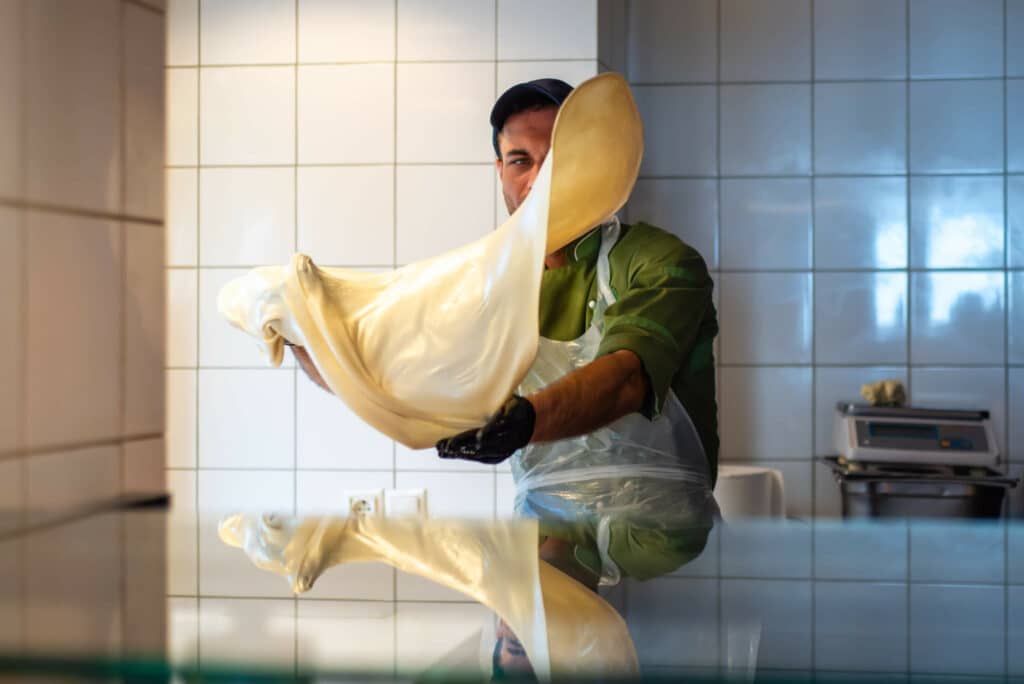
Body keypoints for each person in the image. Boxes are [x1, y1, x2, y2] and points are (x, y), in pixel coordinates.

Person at [434, 78, 720, 589]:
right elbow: (402, 375)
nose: (537, 180)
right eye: (520, 161)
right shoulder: (489, 290)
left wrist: (525, 422)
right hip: (539, 548)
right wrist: (311, 333)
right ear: (500, 172)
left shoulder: (660, 262)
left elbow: (624, 380)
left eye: (557, 160)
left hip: (663, 559)